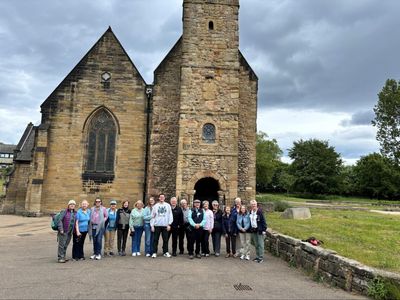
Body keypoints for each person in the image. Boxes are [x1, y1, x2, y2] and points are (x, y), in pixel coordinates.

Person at [150, 194, 173, 258]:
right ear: (159, 198)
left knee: (165, 240)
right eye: (160, 197)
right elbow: (152, 216)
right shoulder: (155, 206)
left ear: (164, 198)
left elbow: (170, 215)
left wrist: (169, 224)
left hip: (165, 225)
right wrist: (152, 226)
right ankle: (154, 252)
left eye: (163, 197)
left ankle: (165, 252)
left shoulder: (168, 205)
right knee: (155, 240)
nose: (162, 198)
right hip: (157, 225)